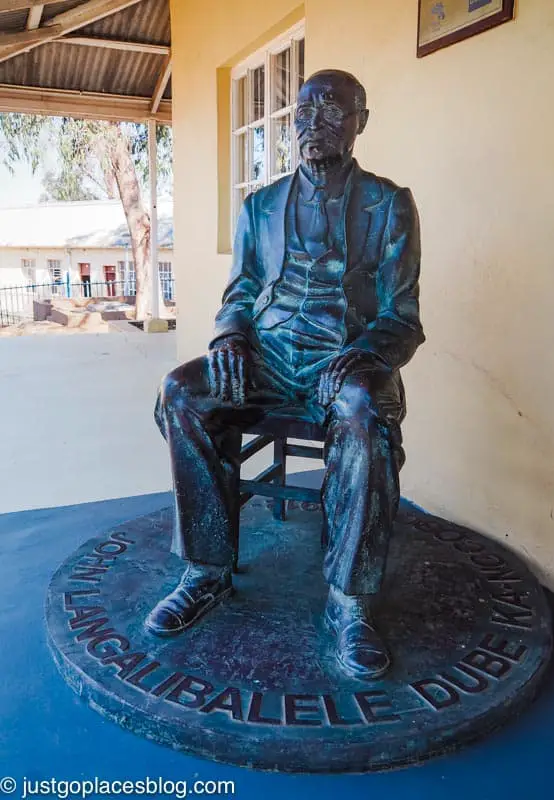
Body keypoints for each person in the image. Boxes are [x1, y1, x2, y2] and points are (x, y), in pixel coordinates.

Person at [146, 69, 425, 681]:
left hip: (345, 358)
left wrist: (367, 355)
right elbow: (241, 292)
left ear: (360, 122)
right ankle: (206, 569)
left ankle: (351, 603)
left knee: (362, 411)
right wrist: (229, 336)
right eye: (303, 111)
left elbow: (403, 317)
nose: (312, 123)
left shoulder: (389, 203)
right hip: (268, 357)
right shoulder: (260, 206)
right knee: (181, 394)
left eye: (331, 111)